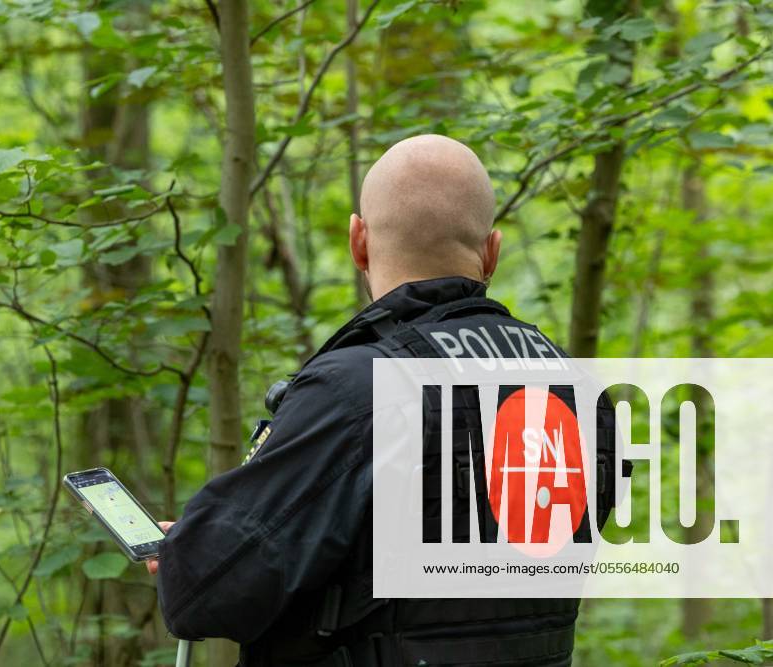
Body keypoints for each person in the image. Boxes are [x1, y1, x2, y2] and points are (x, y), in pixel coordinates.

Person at [148, 135, 614, 666]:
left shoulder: (355, 390)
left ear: (358, 243)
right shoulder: (579, 392)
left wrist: (192, 550)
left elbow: (205, 596)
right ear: (492, 251)